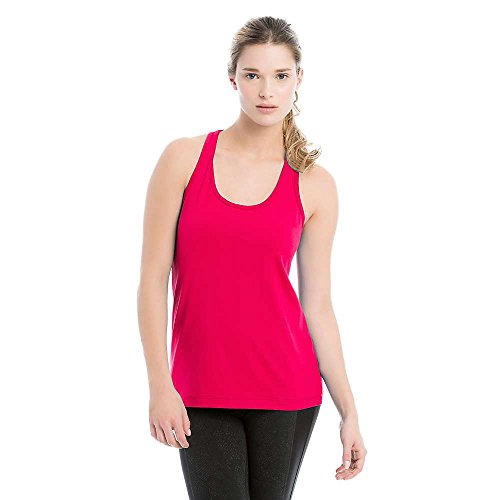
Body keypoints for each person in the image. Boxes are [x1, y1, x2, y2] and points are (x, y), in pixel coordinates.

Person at [137, 15, 367, 499]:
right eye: (252, 75)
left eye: (280, 75)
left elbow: (318, 307)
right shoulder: (183, 159)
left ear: (298, 79)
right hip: (200, 387)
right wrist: (159, 384)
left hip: (287, 389)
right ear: (232, 78)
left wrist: (349, 410)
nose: (267, 90)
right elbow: (152, 279)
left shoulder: (314, 184)